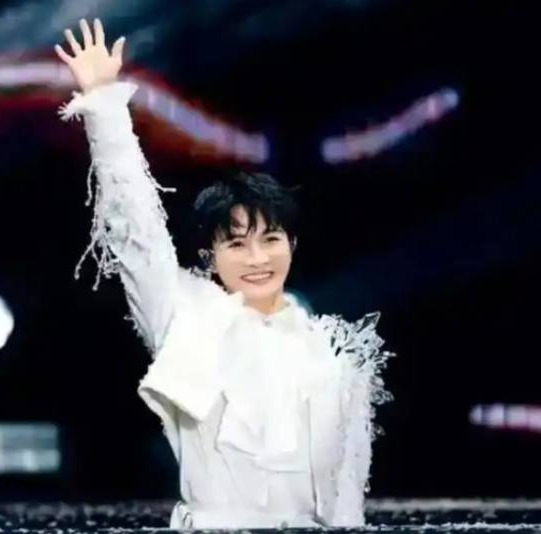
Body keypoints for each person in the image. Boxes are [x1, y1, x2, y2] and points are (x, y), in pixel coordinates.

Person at [55, 18, 392, 529]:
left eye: (270, 239)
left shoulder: (330, 351)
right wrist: (105, 108)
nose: (257, 258)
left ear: (291, 246)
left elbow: (345, 507)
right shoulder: (186, 318)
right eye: (236, 243)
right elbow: (137, 232)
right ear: (210, 256)